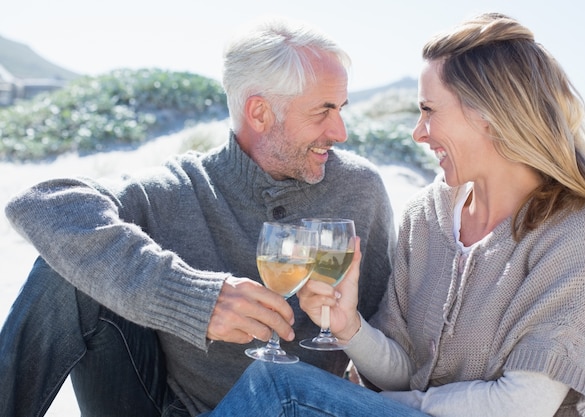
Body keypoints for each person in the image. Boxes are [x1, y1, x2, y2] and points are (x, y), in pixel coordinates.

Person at [206, 12, 585, 417]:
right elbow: (405, 373)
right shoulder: (426, 217)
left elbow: (520, 406)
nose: (419, 132)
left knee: (280, 388)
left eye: (429, 110)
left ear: (490, 116)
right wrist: (349, 325)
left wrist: (387, 406)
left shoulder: (578, 233)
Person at [0, 16, 397, 417]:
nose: (341, 131)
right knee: (62, 268)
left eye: (341, 108)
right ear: (259, 113)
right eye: (323, 111)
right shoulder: (179, 187)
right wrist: (194, 300)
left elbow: (389, 356)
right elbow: (41, 203)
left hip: (295, 406)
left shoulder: (358, 190)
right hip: (163, 406)